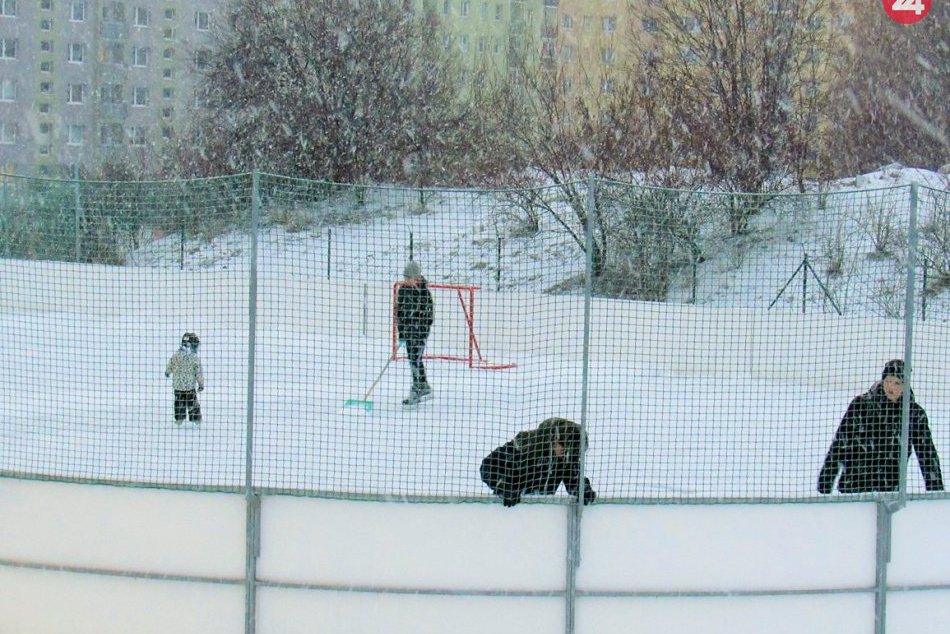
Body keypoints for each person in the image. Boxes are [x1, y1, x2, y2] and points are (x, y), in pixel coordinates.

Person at [818, 359, 943, 494]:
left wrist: (936, 491)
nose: (891, 387)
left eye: (897, 383)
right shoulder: (861, 405)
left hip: (890, 491)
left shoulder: (914, 414)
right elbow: (839, 445)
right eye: (888, 381)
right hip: (854, 487)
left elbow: (927, 454)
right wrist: (825, 484)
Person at [481, 417, 597, 507]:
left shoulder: (566, 458)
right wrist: (504, 487)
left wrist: (583, 490)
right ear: (555, 439)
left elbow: (573, 480)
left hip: (541, 513)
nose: (567, 454)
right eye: (565, 448)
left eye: (573, 452)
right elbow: (487, 467)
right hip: (511, 508)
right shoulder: (525, 444)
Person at [396, 260, 434, 406]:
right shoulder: (403, 290)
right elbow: (399, 313)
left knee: (415, 358)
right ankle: (423, 385)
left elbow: (428, 316)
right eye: (405, 278)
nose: (406, 281)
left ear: (416, 277)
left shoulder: (424, 293)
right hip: (407, 332)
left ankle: (418, 387)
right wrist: (402, 332)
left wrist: (418, 328)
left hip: (420, 332)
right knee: (413, 358)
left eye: (408, 278)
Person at [165, 332, 205, 425]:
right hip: (189, 387)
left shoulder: (176, 355)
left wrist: (167, 372)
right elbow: (198, 372)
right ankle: (196, 419)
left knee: (179, 403)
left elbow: (171, 364)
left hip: (178, 386)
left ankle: (179, 419)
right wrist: (201, 383)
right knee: (192, 404)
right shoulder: (194, 358)